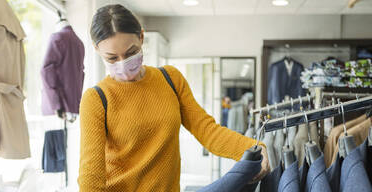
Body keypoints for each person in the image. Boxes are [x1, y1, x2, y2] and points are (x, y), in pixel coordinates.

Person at [78, 4, 270, 192]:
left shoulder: (170, 79)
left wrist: (253, 147)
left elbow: (208, 131)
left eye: (131, 53)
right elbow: (91, 177)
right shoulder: (96, 100)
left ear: (142, 37)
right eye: (112, 58)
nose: (123, 64)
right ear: (96, 49)